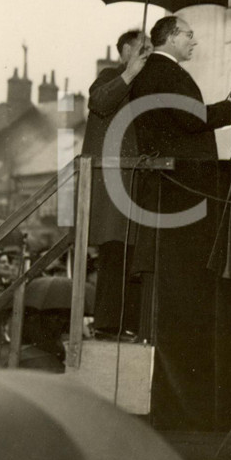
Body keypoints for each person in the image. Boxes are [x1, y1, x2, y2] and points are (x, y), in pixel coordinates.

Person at [128, 15, 231, 430]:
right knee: (184, 302)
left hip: (184, 191)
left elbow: (188, 119)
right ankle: (187, 408)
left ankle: (190, 405)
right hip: (179, 193)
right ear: (167, 37)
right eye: (189, 34)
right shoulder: (159, 72)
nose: (195, 41)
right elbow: (189, 119)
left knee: (186, 301)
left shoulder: (165, 73)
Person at [82, 28, 151, 340]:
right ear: (125, 51)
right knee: (114, 252)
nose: (147, 55)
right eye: (141, 49)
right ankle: (108, 325)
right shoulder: (110, 76)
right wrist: (131, 71)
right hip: (114, 185)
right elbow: (99, 102)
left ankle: (130, 324)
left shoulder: (145, 86)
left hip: (136, 185)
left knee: (136, 257)